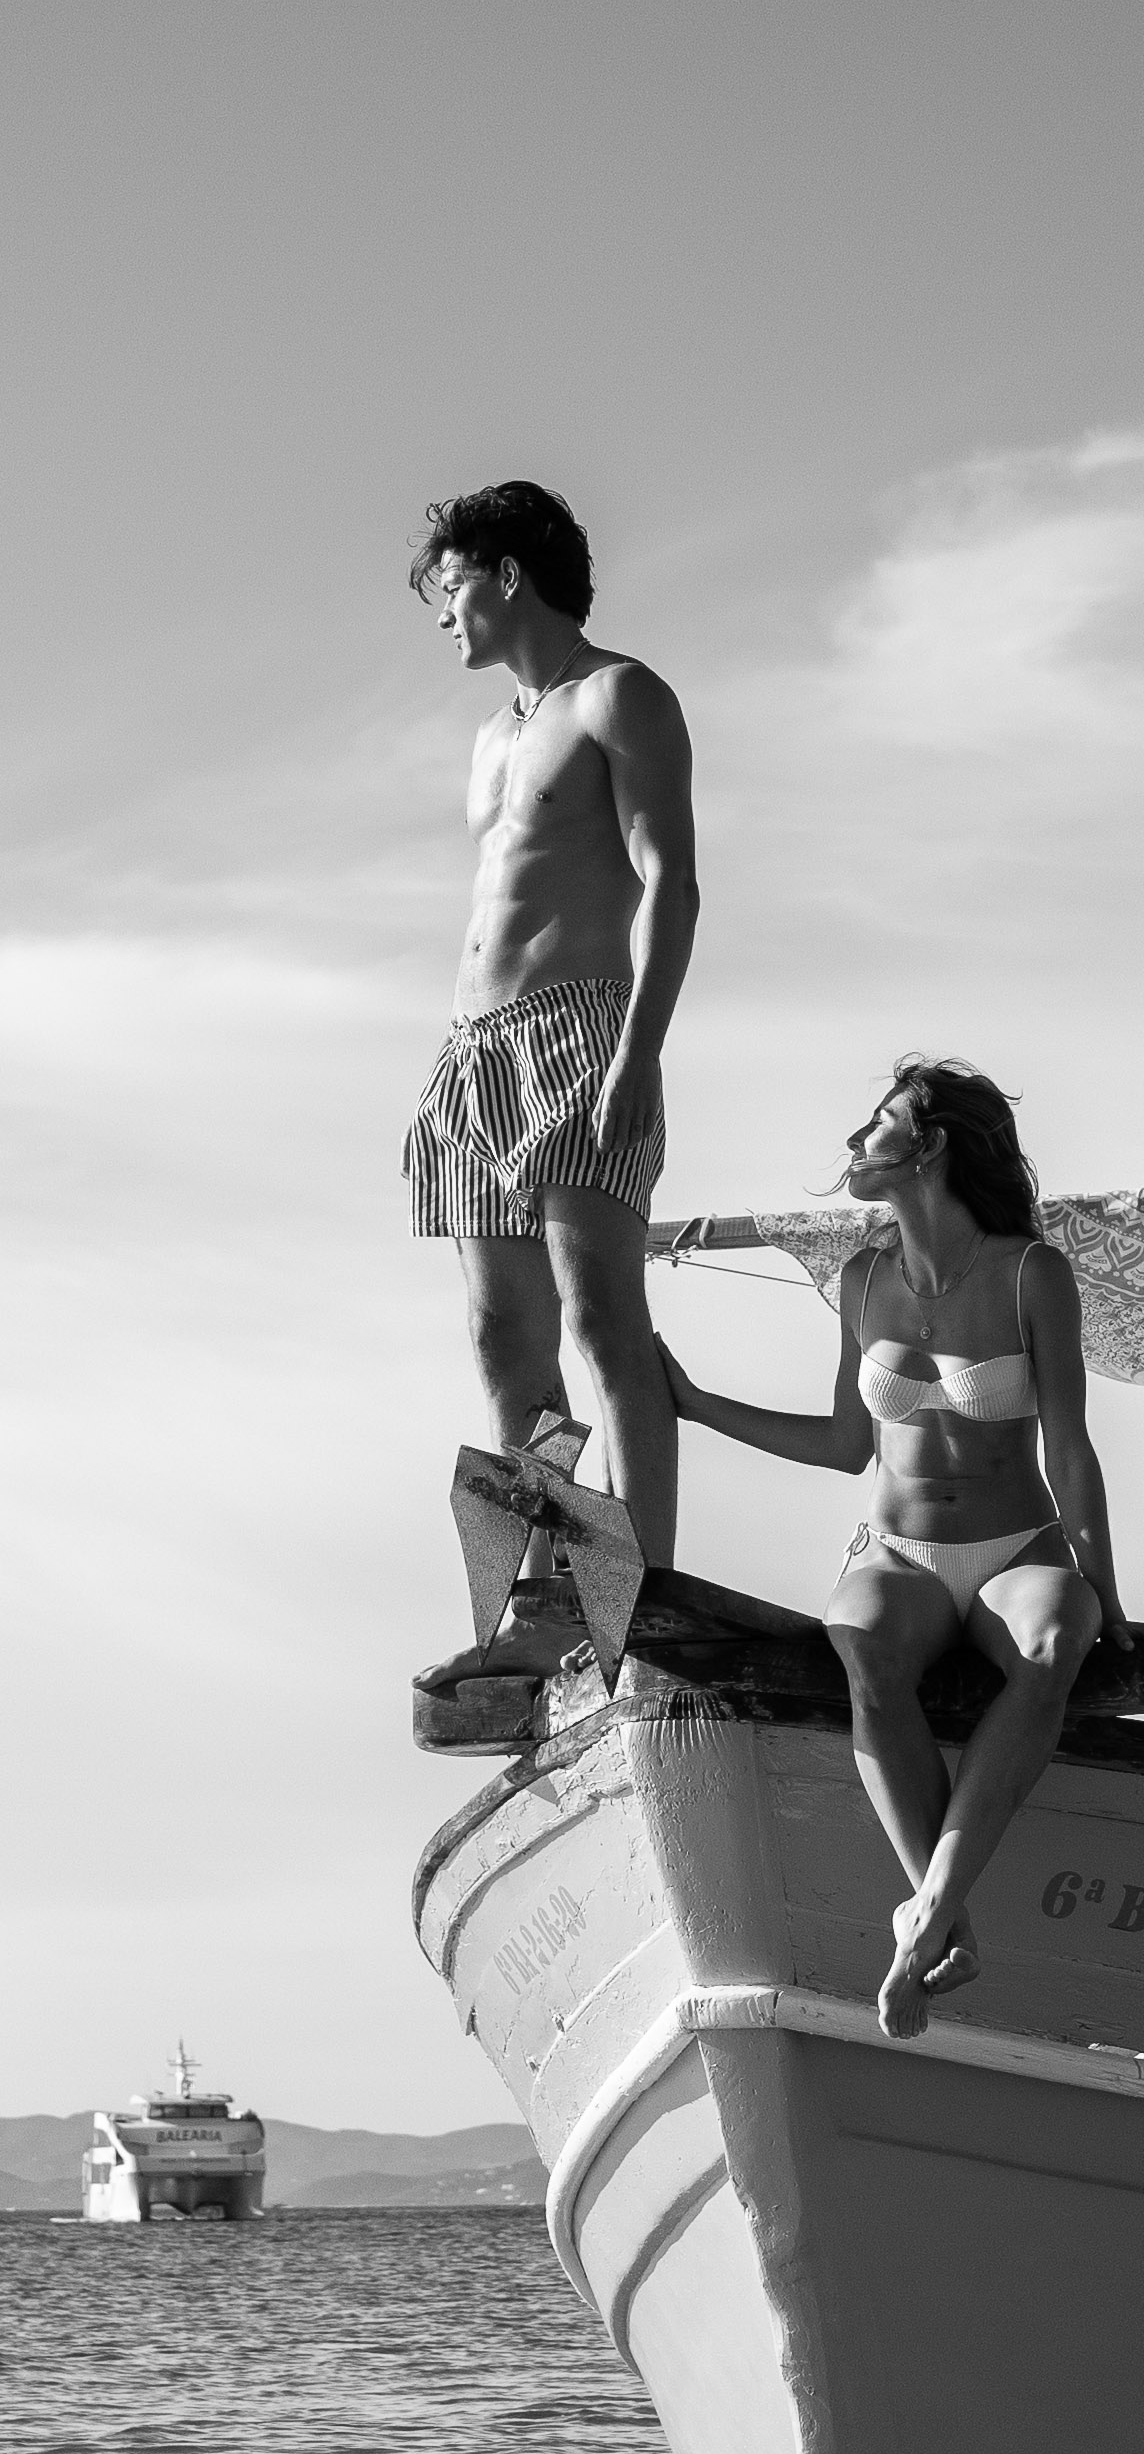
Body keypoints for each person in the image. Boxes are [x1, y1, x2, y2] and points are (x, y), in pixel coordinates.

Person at [658, 1057, 1142, 2036]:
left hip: (1017, 1548)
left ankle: (921, 1918)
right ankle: (941, 1913)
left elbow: (1070, 1445)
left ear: (931, 1146)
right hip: (897, 1551)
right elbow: (845, 1446)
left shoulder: (1028, 1273)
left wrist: (1105, 1594)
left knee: (1054, 1647)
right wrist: (700, 1407)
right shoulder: (863, 1278)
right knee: (865, 1651)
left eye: (874, 1123)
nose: (852, 1143)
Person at [404, 482, 699, 1638]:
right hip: (475, 1053)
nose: (444, 616)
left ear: (507, 573)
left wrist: (638, 1049)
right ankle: (557, 1588)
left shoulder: (621, 695)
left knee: (601, 1317)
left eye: (451, 585)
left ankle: (651, 1589)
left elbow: (669, 879)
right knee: (502, 1336)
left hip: (582, 1030)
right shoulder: (492, 734)